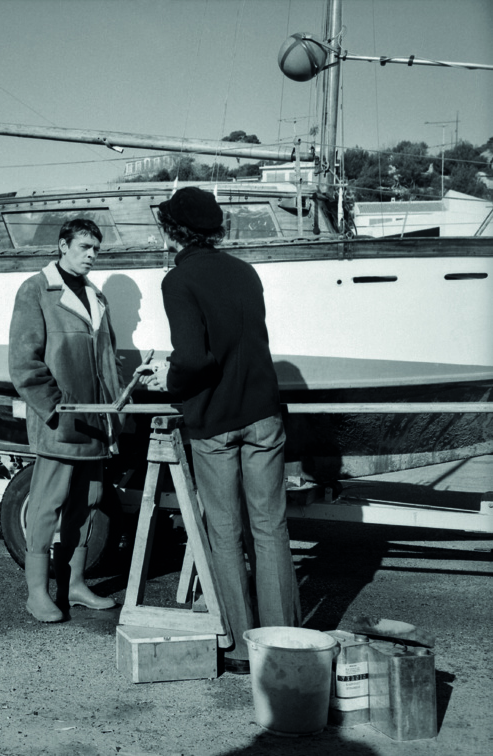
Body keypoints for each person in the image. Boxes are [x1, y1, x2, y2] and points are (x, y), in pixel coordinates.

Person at [139, 186, 300, 673]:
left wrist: (167, 377)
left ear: (172, 231)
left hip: (217, 421)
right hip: (263, 412)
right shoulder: (246, 271)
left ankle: (238, 645)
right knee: (271, 527)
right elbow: (244, 343)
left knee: (225, 531)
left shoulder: (178, 281)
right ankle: (284, 638)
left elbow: (195, 359)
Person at [8, 218, 123, 622]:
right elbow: (24, 364)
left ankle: (74, 586)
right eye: (84, 247)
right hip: (59, 421)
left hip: (94, 422)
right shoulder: (36, 290)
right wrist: (55, 408)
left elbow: (107, 364)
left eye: (96, 249)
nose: (92, 255)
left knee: (88, 504)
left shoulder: (97, 297)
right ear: (62, 246)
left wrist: (114, 415)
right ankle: (37, 593)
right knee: (47, 506)